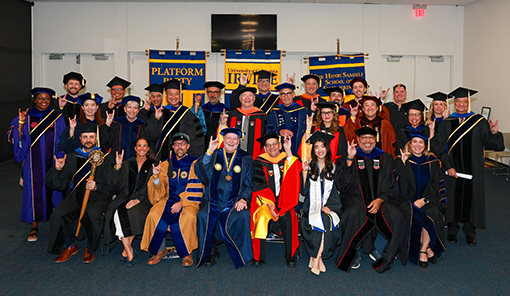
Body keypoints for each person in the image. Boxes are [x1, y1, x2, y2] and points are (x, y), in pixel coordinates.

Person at [431, 87, 504, 246]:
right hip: (452, 169)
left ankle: (470, 229)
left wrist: (493, 133)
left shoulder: (479, 121)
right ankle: (452, 227)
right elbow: (437, 146)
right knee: (452, 196)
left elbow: (494, 145)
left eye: (464, 101)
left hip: (473, 168)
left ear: (468, 103)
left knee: (472, 197)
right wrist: (448, 166)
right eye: (458, 101)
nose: (462, 104)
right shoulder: (447, 123)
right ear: (454, 103)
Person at [335, 126, 410, 274]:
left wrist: (380, 199)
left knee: (396, 214)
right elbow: (343, 186)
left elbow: (391, 184)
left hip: (381, 197)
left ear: (376, 140)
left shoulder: (386, 158)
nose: (367, 141)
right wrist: (350, 159)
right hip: (355, 197)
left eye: (371, 138)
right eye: (364, 138)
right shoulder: (348, 157)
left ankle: (384, 250)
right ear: (358, 140)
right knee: (353, 212)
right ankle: (352, 252)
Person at [46, 123, 112, 263]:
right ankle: (69, 246)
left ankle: (90, 248)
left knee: (93, 213)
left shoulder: (105, 157)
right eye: (85, 137)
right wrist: (58, 170)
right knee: (58, 214)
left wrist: (97, 186)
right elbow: (61, 184)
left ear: (96, 139)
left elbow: (111, 182)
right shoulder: (72, 156)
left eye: (91, 137)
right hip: (77, 196)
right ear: (80, 139)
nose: (88, 140)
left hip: (98, 197)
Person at [7, 87, 66, 242]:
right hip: (32, 162)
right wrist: (20, 123)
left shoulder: (56, 117)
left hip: (53, 160)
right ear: (34, 100)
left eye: (47, 98)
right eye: (40, 98)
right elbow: (15, 138)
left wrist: (61, 160)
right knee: (32, 191)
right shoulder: (26, 116)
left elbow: (62, 140)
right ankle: (34, 224)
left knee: (54, 190)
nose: (44, 101)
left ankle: (56, 221)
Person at [140, 133, 203, 267]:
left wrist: (182, 203)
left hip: (187, 202)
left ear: (188, 146)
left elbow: (197, 187)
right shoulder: (166, 164)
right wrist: (156, 177)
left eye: (183, 144)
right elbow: (159, 192)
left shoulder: (195, 163)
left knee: (188, 218)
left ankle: (187, 252)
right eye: (177, 144)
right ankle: (159, 250)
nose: (180, 147)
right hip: (167, 200)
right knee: (153, 215)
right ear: (173, 147)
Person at [195, 128, 253, 268]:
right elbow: (203, 174)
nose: (231, 142)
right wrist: (209, 151)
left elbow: (248, 183)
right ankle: (209, 251)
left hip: (234, 201)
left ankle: (240, 253)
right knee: (203, 215)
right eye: (228, 138)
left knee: (244, 214)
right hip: (213, 200)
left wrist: (243, 199)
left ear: (239, 141)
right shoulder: (215, 155)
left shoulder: (246, 158)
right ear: (223, 140)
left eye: (234, 139)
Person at [104, 137, 158, 267]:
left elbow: (150, 187)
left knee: (135, 213)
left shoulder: (153, 165)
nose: (142, 148)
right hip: (125, 197)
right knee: (117, 212)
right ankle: (128, 249)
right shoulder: (128, 163)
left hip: (144, 200)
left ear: (148, 148)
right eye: (139, 145)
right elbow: (115, 185)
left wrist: (138, 199)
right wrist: (118, 167)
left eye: (145, 146)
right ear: (135, 148)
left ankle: (126, 249)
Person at [250, 132, 301, 267]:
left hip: (285, 202)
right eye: (268, 145)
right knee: (261, 217)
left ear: (280, 146)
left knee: (289, 217)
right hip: (266, 203)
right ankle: (258, 256)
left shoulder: (287, 159)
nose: (272, 147)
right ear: (265, 148)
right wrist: (270, 204)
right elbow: (259, 185)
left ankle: (291, 256)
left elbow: (294, 175)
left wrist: (289, 151)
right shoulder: (258, 162)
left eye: (274, 144)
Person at [397, 132, 446, 267]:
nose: (417, 145)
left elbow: (437, 185)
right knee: (413, 214)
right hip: (408, 200)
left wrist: (424, 200)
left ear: (425, 145)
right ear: (410, 144)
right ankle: (427, 248)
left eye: (421, 142)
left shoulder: (433, 162)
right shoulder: (403, 160)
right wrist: (403, 163)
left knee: (432, 213)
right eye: (414, 142)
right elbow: (400, 186)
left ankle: (423, 248)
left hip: (427, 199)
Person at [301, 131, 342, 275]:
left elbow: (336, 192)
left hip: (327, 206)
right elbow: (304, 192)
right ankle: (318, 258)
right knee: (319, 222)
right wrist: (304, 173)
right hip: (310, 208)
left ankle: (316, 258)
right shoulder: (309, 166)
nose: (319, 150)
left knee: (326, 220)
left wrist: (329, 207)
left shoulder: (333, 168)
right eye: (316, 147)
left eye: (322, 146)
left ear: (327, 148)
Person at [149, 79, 205, 159]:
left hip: (182, 161)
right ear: (166, 95)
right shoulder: (159, 113)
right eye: (170, 94)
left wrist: (190, 159)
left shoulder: (188, 115)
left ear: (180, 95)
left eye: (176, 94)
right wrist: (156, 120)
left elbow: (197, 141)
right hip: (161, 160)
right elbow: (151, 137)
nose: (173, 97)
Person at [220, 86, 267, 158]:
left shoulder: (262, 116)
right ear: (240, 99)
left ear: (254, 99)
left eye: (250, 96)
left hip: (255, 155)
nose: (247, 98)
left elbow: (265, 136)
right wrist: (223, 124)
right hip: (234, 154)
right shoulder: (231, 115)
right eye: (244, 96)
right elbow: (224, 135)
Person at [267, 82, 311, 155]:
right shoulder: (274, 112)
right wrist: (279, 132)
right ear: (280, 96)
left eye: (288, 93)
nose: (286, 96)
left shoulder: (303, 111)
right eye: (283, 94)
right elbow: (269, 130)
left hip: (300, 150)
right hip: (280, 153)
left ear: (293, 95)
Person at [110, 96, 148, 160]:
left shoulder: (142, 125)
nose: (132, 110)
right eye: (129, 107)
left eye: (135, 108)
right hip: (117, 159)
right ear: (125, 109)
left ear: (138, 110)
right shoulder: (116, 123)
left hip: (136, 161)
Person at [201, 81, 229, 150]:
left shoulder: (225, 111)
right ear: (207, 93)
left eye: (215, 92)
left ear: (220, 93)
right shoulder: (202, 109)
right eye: (210, 92)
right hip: (202, 145)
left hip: (218, 144)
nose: (212, 94)